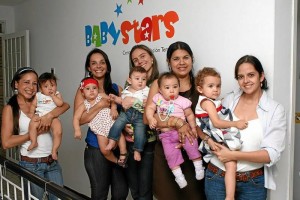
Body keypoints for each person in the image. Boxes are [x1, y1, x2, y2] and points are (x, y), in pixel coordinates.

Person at [202, 55, 286, 200]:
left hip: (252, 183)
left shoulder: (275, 109)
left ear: (261, 77)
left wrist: (233, 155)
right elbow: (206, 126)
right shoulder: (228, 100)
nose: (245, 81)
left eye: (251, 75)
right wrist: (208, 140)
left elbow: (271, 154)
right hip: (216, 177)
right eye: (241, 77)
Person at [145, 41, 206, 199]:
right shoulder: (158, 85)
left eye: (186, 57)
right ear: (168, 62)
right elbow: (147, 118)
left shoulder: (200, 84)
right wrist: (176, 122)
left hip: (193, 151)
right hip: (167, 152)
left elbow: (208, 118)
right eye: (176, 58)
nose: (181, 62)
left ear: (192, 59)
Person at [1, 67, 70, 200]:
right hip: (31, 165)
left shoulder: (42, 100)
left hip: (52, 162)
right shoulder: (10, 109)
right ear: (16, 84)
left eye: (34, 83)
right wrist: (33, 134)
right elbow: (6, 142)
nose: (31, 87)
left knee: (59, 198)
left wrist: (49, 116)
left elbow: (65, 105)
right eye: (26, 82)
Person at [73, 48, 128, 200]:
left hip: (118, 146)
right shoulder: (84, 91)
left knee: (121, 193)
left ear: (108, 66)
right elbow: (80, 119)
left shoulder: (117, 89)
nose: (98, 66)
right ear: (89, 68)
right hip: (96, 148)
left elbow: (126, 114)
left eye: (102, 62)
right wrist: (100, 105)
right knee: (100, 194)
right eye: (94, 63)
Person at [194, 67, 248, 200]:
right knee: (231, 164)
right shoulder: (207, 103)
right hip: (214, 136)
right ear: (200, 89)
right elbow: (217, 123)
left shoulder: (210, 101)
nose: (215, 89)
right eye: (210, 86)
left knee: (232, 161)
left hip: (213, 136)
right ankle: (230, 197)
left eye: (218, 86)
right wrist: (236, 123)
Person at [123, 44, 159, 199]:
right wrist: (124, 125)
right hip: (129, 141)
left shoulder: (160, 82)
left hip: (148, 142)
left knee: (144, 192)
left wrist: (134, 103)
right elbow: (123, 108)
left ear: (151, 57)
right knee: (135, 189)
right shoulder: (130, 84)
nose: (140, 61)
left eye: (143, 56)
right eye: (135, 60)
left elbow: (158, 113)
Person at [73, 77, 127, 167]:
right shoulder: (84, 105)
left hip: (111, 121)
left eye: (94, 88)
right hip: (99, 129)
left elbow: (112, 100)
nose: (91, 91)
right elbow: (76, 118)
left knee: (120, 136)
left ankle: (123, 153)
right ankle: (117, 161)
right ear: (82, 93)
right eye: (88, 89)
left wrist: (113, 108)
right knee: (104, 150)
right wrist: (77, 129)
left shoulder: (101, 95)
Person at [106, 66, 149, 162]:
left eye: (143, 79)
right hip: (126, 113)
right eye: (137, 78)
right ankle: (112, 140)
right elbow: (121, 101)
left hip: (140, 116)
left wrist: (146, 103)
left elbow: (150, 103)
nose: (140, 81)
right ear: (130, 80)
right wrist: (115, 98)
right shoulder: (126, 90)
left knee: (140, 133)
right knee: (117, 124)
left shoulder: (147, 90)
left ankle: (137, 150)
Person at [27, 72, 64, 161]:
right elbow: (33, 106)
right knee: (32, 125)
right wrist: (32, 115)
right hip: (40, 115)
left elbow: (61, 104)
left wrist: (53, 96)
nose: (50, 88)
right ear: (41, 89)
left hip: (53, 117)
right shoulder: (38, 95)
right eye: (46, 86)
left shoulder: (57, 94)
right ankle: (34, 141)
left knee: (58, 132)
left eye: (52, 85)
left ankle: (54, 150)